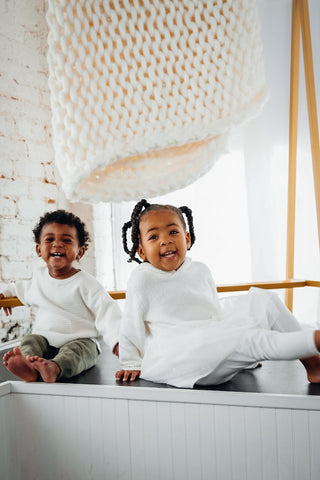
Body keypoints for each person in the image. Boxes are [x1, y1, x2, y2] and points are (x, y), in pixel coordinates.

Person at [115, 199, 320, 388]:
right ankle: (314, 339)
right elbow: (130, 324)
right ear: (141, 252)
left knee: (264, 300)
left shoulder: (200, 270)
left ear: (187, 238)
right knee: (250, 339)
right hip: (180, 357)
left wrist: (235, 353)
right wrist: (131, 362)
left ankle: (313, 363)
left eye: (173, 232)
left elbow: (213, 312)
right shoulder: (142, 279)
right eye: (153, 237)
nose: (165, 241)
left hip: (209, 337)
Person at [1, 209, 121, 383]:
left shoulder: (86, 283)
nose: (57, 244)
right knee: (30, 340)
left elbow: (107, 310)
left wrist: (117, 339)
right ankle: (29, 365)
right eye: (49, 239)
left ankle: (54, 368)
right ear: (39, 249)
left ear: (80, 251)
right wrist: (5, 294)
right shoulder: (38, 278)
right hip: (45, 342)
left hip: (80, 340)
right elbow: (20, 288)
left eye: (66, 240)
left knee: (78, 352)